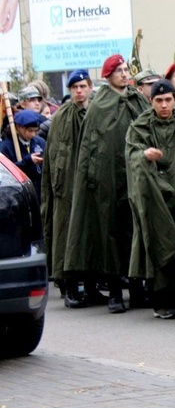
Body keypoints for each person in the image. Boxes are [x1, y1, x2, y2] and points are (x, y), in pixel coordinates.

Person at [64, 54, 151, 314]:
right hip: (107, 181)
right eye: (119, 71)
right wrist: (94, 179)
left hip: (134, 177)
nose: (125, 74)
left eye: (126, 70)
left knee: (135, 232)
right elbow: (90, 147)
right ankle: (115, 293)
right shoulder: (99, 107)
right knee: (111, 234)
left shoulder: (136, 100)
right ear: (108, 75)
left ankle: (137, 290)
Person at [126, 78, 175, 319]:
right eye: (159, 100)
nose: (164, 105)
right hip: (155, 197)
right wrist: (143, 155)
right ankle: (162, 302)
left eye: (168, 100)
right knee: (158, 244)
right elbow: (132, 152)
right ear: (150, 100)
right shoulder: (141, 125)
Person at [41, 69, 97, 306]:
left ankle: (92, 286)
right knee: (67, 233)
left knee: (91, 234)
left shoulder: (96, 111)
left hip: (92, 182)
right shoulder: (62, 117)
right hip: (68, 186)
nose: (79, 91)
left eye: (83, 86)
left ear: (90, 87)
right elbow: (58, 156)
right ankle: (70, 287)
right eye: (74, 87)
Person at [0, 109, 45, 200]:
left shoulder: (40, 142)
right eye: (30, 131)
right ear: (19, 127)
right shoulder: (6, 147)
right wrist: (27, 161)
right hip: (19, 196)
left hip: (40, 193)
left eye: (36, 131)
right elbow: (6, 175)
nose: (33, 134)